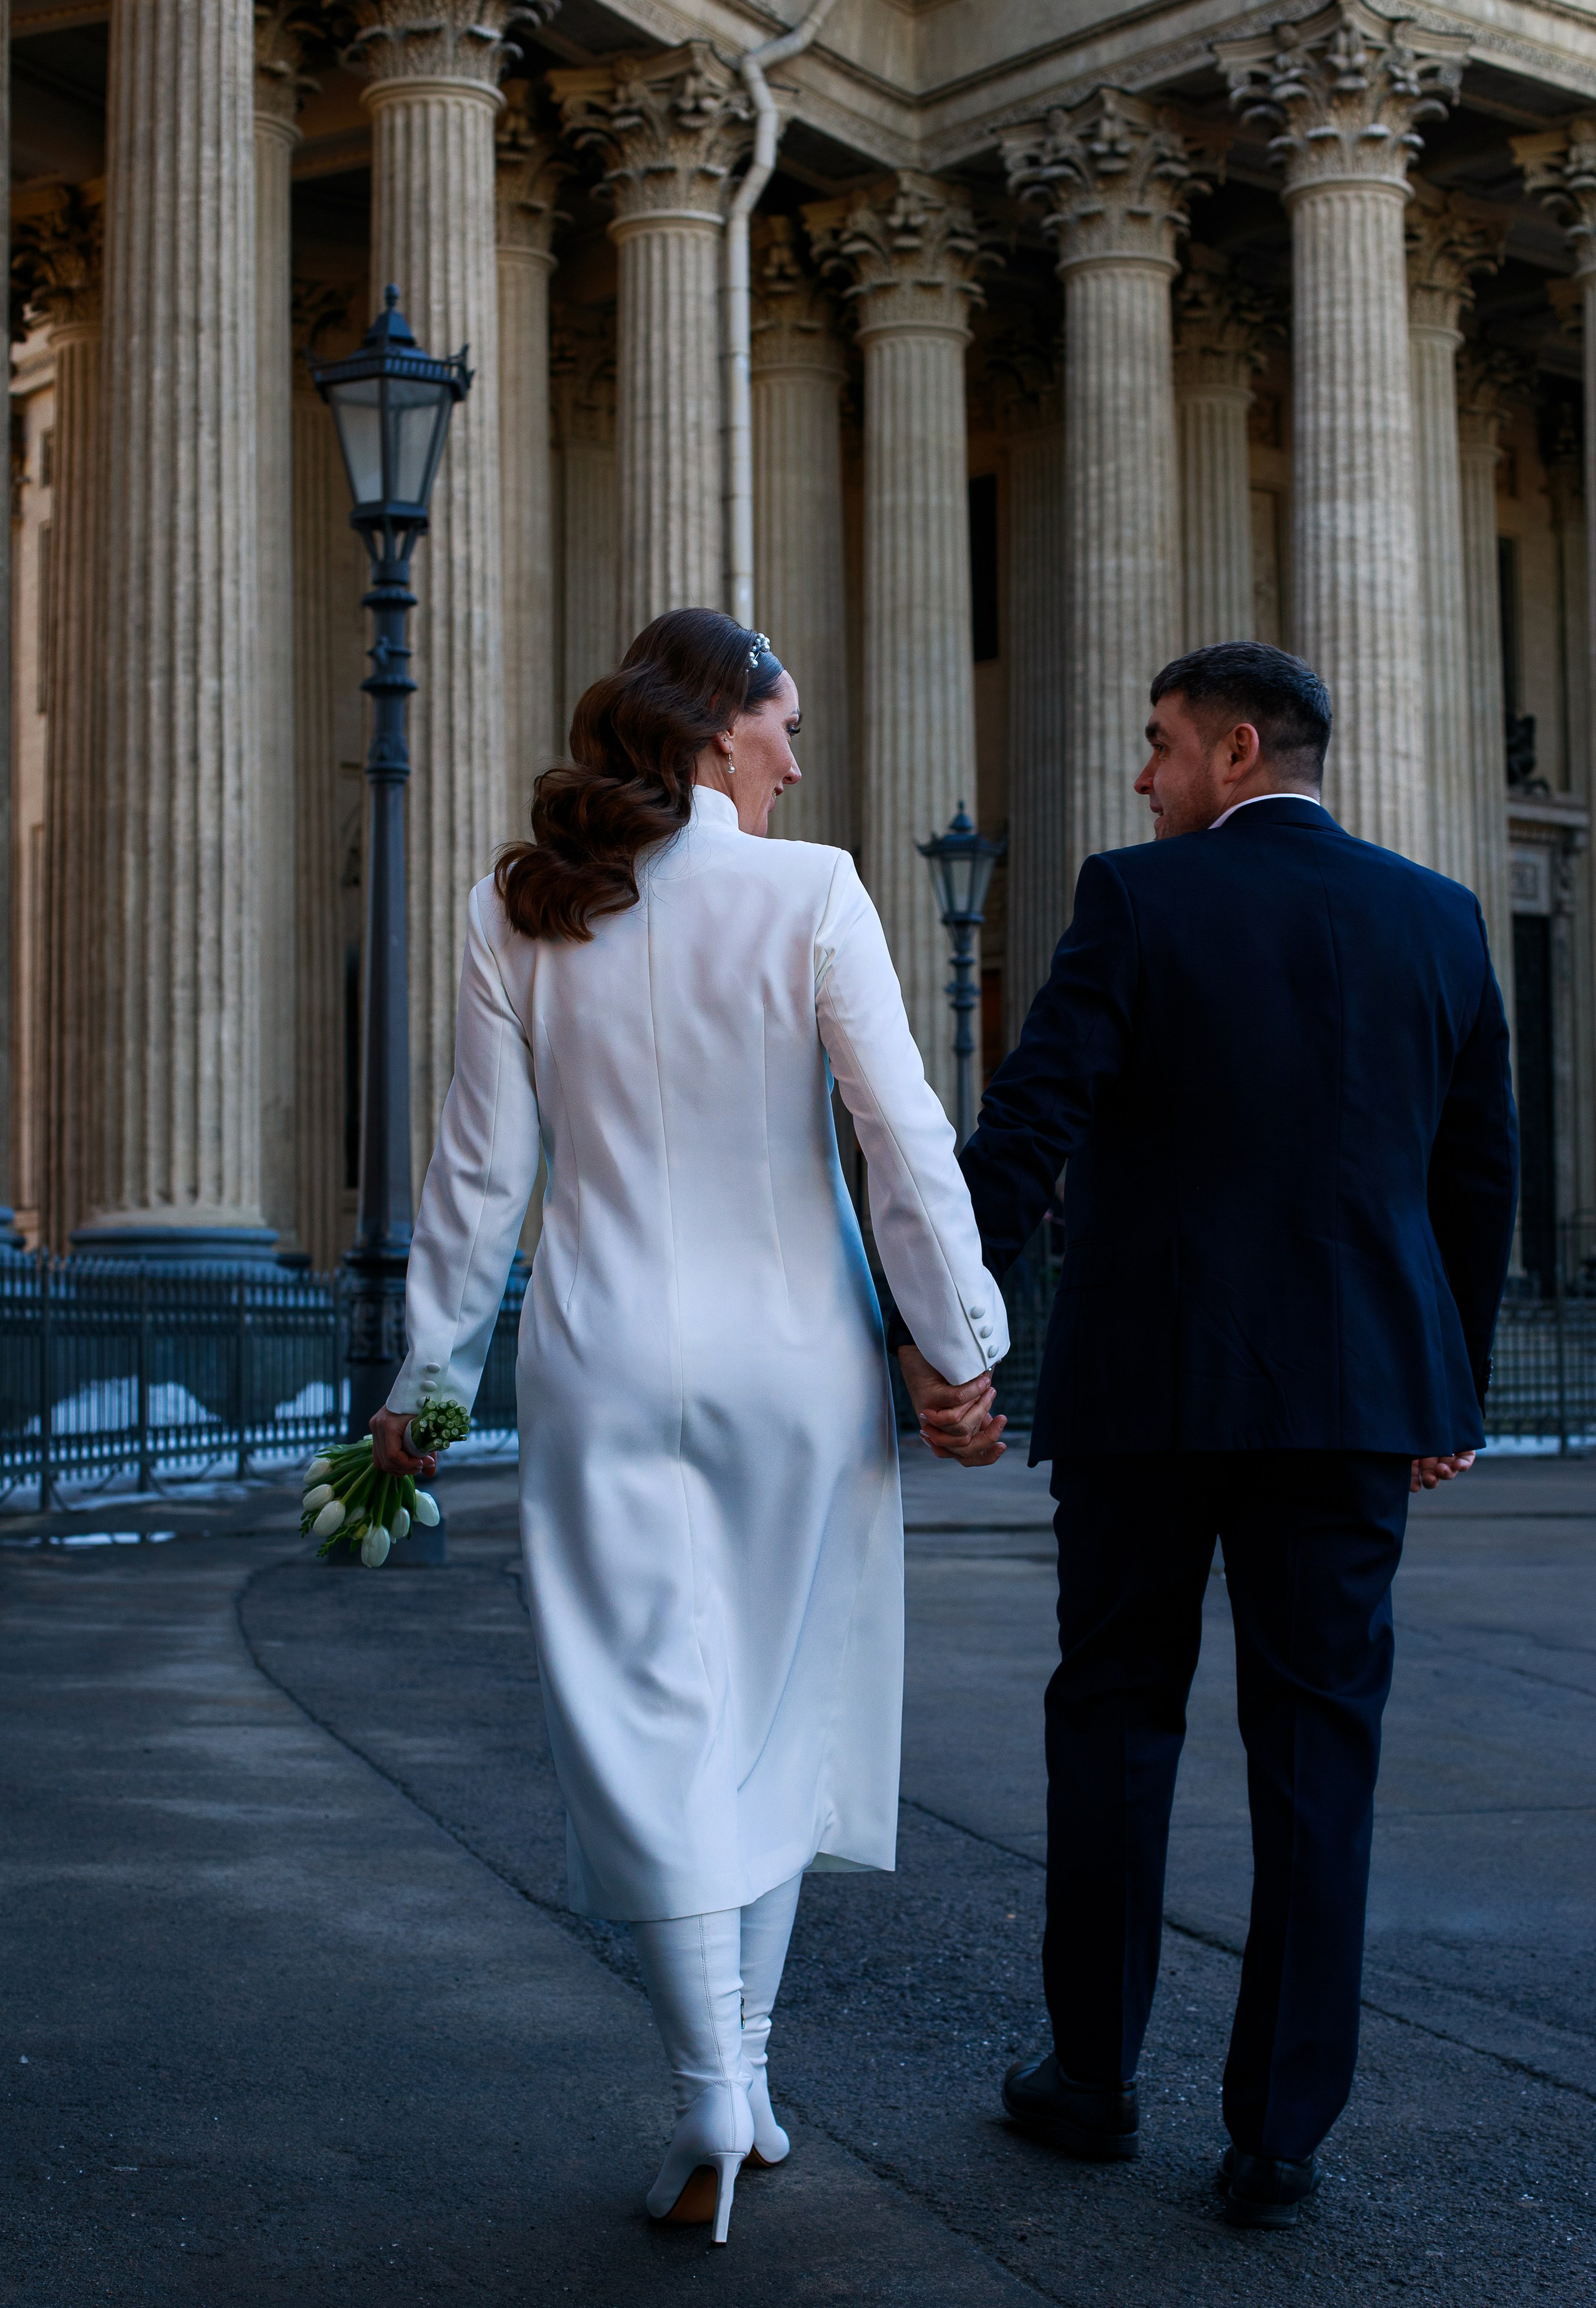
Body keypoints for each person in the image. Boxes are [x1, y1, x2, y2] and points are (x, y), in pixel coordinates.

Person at [370, 607, 1007, 2244]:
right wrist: (963, 1350)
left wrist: (429, 1382)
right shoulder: (812, 893)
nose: (801, 755)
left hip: (600, 1351)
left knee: (650, 1718)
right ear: (720, 731)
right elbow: (906, 1143)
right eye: (784, 723)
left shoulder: (517, 909)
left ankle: (723, 2085)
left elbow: (473, 1182)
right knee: (774, 1709)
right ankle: (745, 2079)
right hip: (796, 1364)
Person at [897, 640, 1517, 2229]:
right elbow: (1471, 1182)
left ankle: (1090, 2080)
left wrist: (947, 1333)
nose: (1138, 774)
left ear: (1234, 752)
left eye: (1158, 744)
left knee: (1113, 1725)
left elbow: (1032, 1124)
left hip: (1147, 1394)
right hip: (1350, 1403)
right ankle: (1279, 2131)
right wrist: (1439, 1388)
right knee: (1320, 1754)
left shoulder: (1135, 900)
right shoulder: (1440, 919)